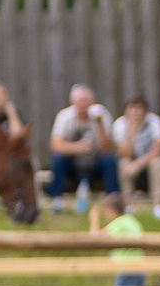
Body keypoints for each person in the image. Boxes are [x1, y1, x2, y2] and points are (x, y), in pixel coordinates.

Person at [48, 84, 117, 212]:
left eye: (87, 101)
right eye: (80, 101)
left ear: (93, 102)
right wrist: (77, 147)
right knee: (58, 159)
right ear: (73, 102)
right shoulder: (65, 116)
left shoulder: (102, 115)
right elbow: (55, 145)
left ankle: (114, 201)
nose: (84, 104)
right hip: (73, 163)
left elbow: (108, 148)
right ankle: (57, 200)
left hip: (95, 162)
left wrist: (100, 124)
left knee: (109, 160)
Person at [112, 95, 160, 216]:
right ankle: (128, 206)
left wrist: (138, 164)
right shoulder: (119, 124)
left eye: (138, 108)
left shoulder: (154, 122)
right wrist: (132, 130)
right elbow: (125, 152)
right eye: (131, 109)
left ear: (145, 111)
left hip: (148, 160)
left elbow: (158, 149)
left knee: (157, 163)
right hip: (130, 160)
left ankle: (158, 206)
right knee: (123, 163)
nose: (135, 112)